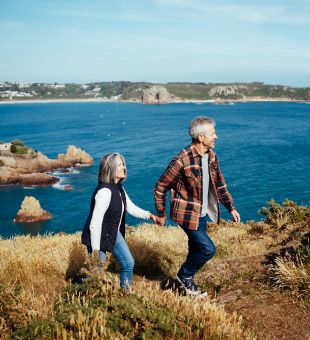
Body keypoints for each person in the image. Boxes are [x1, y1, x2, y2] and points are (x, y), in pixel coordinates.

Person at [154, 116, 240, 296]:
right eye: (213, 133)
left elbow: (220, 184)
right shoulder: (182, 159)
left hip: (202, 213)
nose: (216, 136)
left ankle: (186, 286)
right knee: (208, 249)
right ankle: (184, 275)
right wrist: (161, 213)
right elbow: (161, 186)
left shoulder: (211, 156)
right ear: (201, 137)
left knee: (195, 249)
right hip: (186, 214)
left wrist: (230, 208)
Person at [82, 152, 157, 290]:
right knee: (96, 270)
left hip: (112, 232)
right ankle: (79, 293)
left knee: (128, 263)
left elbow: (131, 207)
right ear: (110, 168)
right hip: (97, 236)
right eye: (119, 165)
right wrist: (95, 251)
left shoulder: (119, 188)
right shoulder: (104, 192)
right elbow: (95, 224)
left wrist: (150, 215)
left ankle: (125, 295)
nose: (124, 167)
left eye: (123, 164)